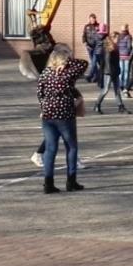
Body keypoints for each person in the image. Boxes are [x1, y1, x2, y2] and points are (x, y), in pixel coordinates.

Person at [36, 43, 87, 193]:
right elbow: (84, 63)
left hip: (48, 114)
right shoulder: (67, 74)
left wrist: (43, 107)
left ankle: (48, 183)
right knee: (71, 147)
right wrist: (69, 62)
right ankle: (71, 181)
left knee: (50, 149)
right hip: (65, 114)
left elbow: (40, 93)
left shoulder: (45, 73)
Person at [94, 32, 131, 114]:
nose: (118, 40)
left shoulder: (115, 47)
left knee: (117, 90)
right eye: (117, 38)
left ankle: (121, 106)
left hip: (115, 71)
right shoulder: (108, 48)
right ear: (113, 38)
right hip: (109, 72)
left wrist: (118, 70)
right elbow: (108, 62)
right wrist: (112, 72)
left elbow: (116, 62)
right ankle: (97, 104)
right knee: (106, 90)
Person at [82, 14, 100, 82]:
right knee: (93, 62)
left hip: (96, 47)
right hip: (89, 47)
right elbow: (84, 36)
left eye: (94, 19)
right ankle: (96, 76)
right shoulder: (87, 27)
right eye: (91, 19)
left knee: (94, 62)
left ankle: (90, 75)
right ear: (89, 19)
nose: (92, 20)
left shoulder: (98, 26)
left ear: (95, 19)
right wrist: (85, 43)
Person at [117, 23, 133, 95]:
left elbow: (117, 45)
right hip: (127, 56)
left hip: (120, 55)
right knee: (126, 71)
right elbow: (130, 46)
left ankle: (120, 85)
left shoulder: (119, 36)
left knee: (121, 71)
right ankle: (125, 86)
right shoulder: (129, 37)